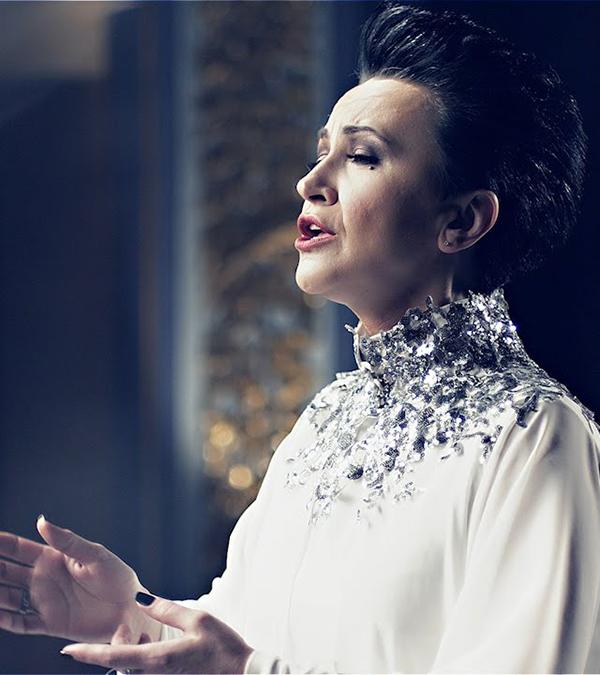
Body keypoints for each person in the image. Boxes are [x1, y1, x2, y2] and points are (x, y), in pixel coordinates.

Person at [1, 2, 600, 673]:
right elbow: (240, 637)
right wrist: (128, 619)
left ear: (461, 221)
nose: (310, 183)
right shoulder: (326, 422)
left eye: (362, 157)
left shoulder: (534, 436)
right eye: (323, 154)